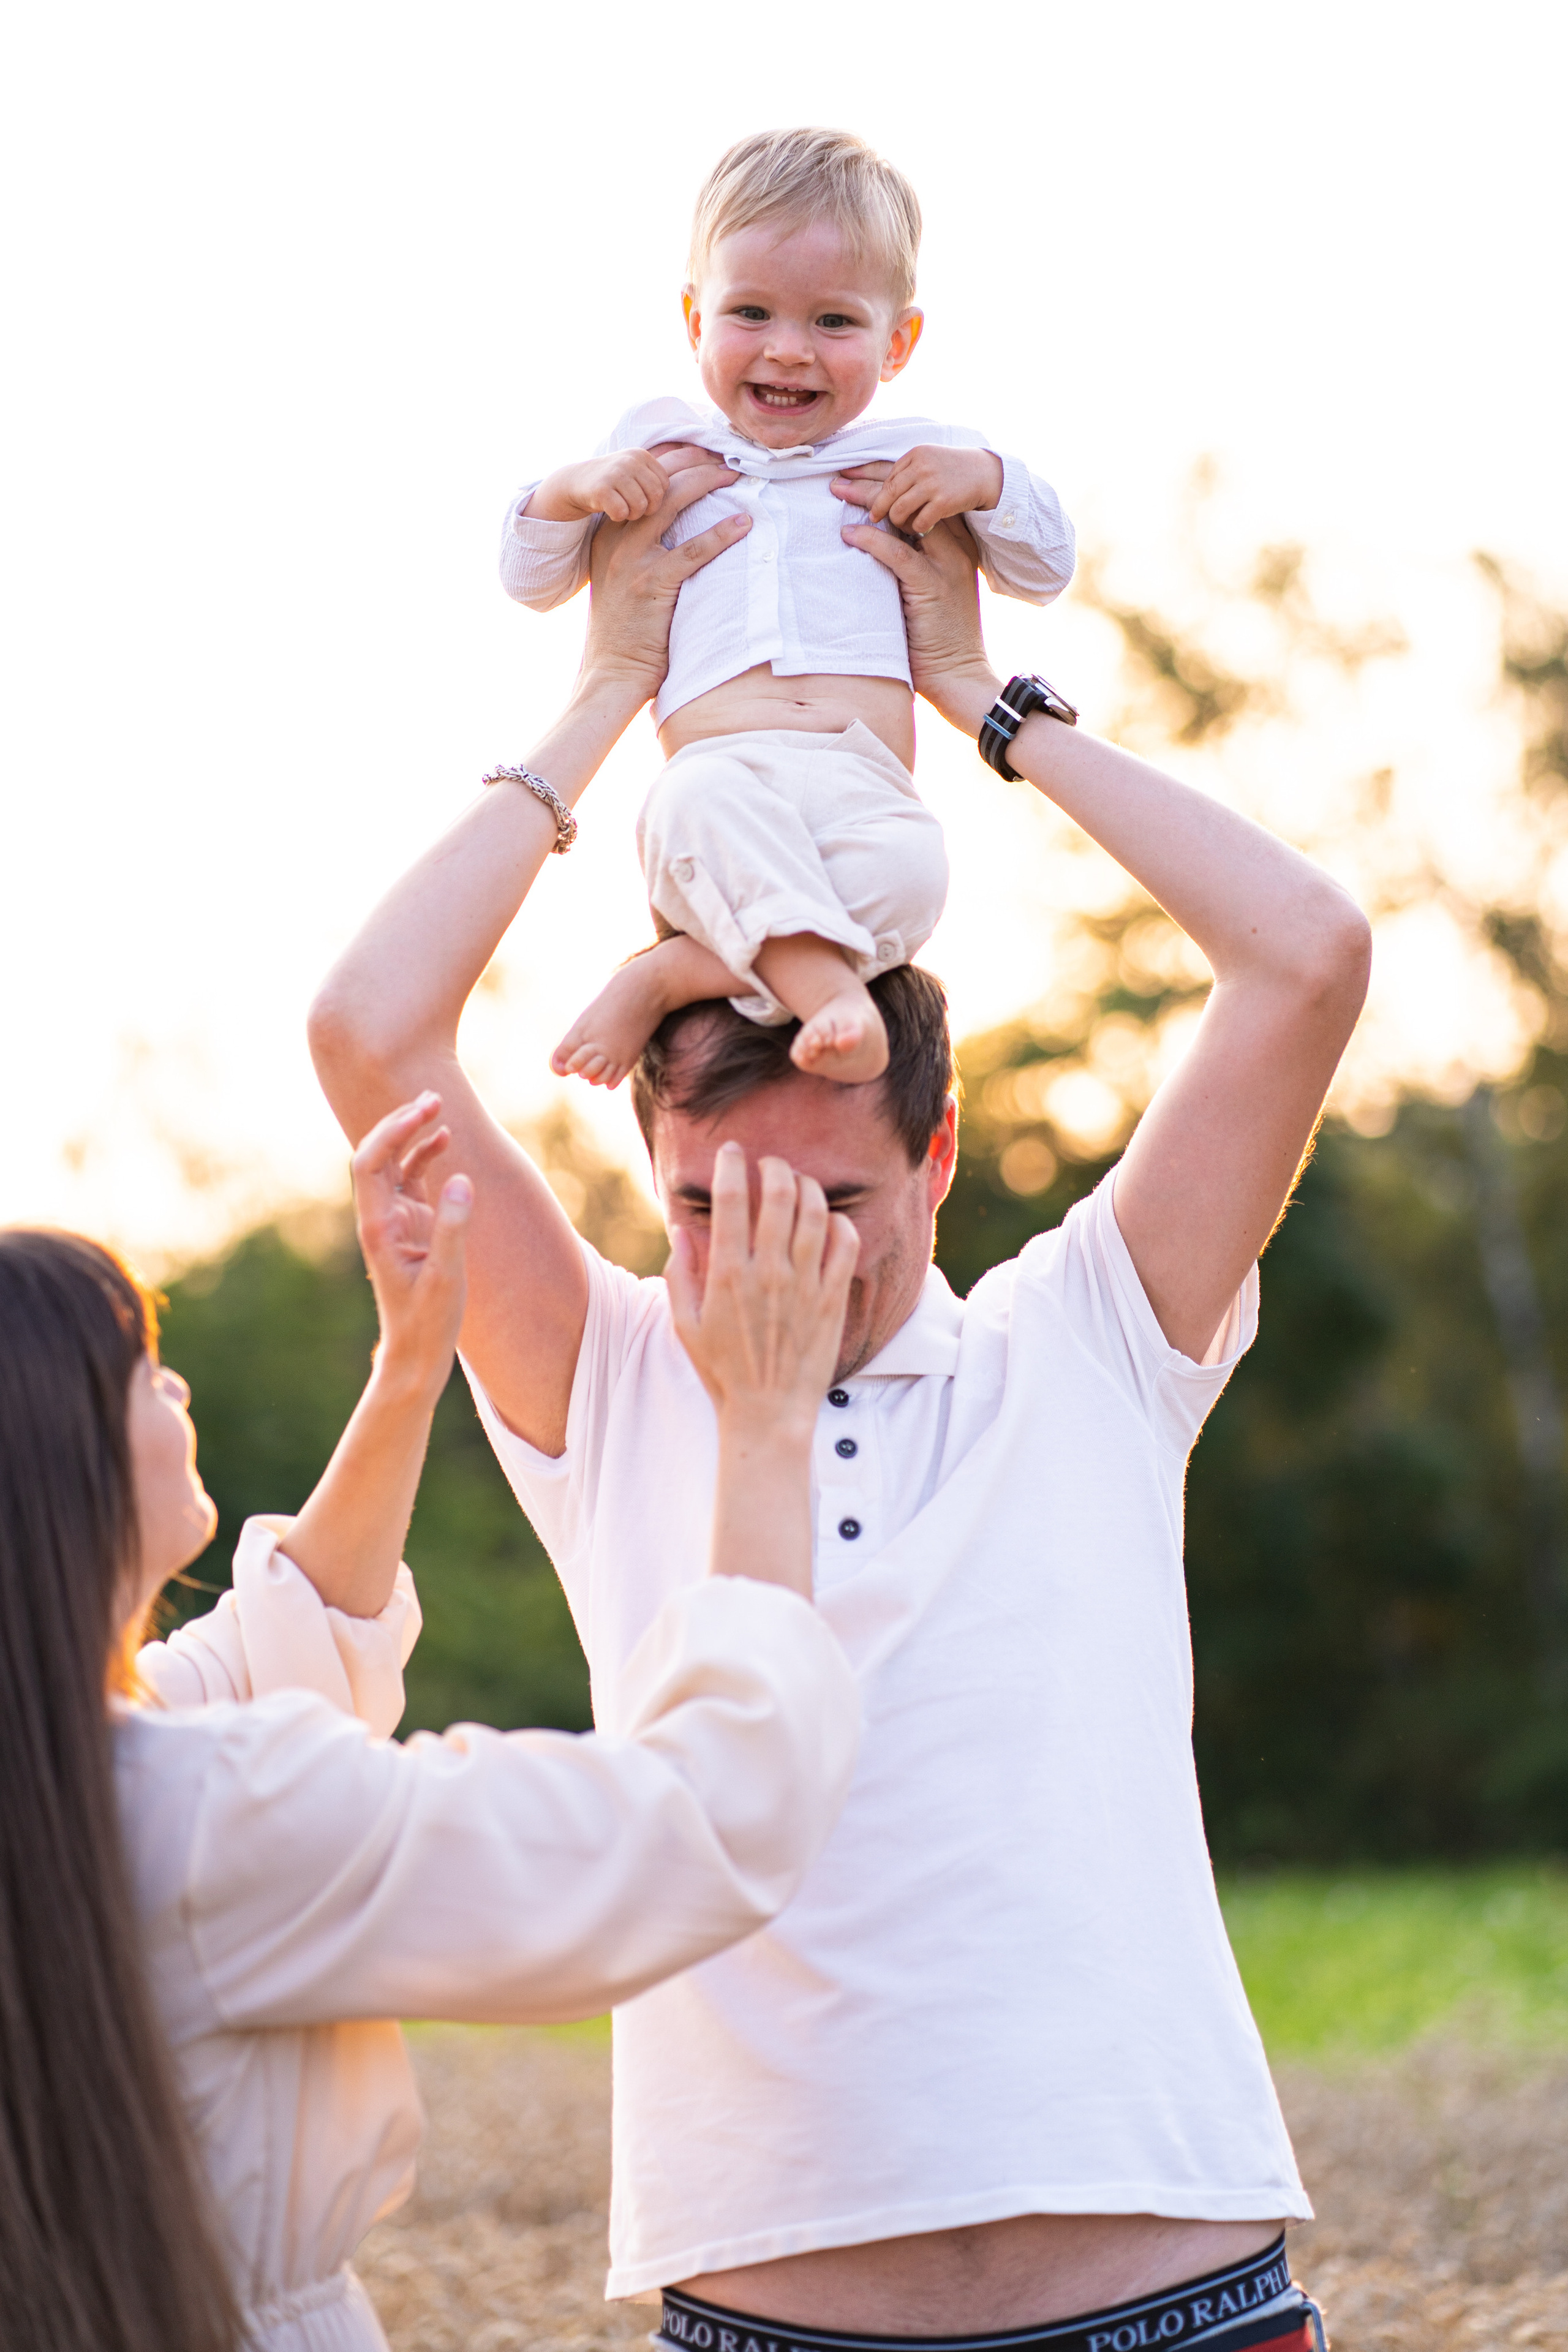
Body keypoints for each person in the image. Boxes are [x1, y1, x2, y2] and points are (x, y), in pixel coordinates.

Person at [309, 459, 1371, 2351]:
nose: (775, 1256)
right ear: (647, 1162)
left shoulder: (1089, 1341)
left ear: (942, 1147)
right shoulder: (617, 1376)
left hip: (1176, 2306)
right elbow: (370, 1026)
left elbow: (1306, 954)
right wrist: (621, 688)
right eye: (713, 1207)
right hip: (769, 2323)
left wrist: (981, 698)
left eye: (840, 1202)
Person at [0, 1091, 862, 2352]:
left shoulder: (72, 1767)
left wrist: (410, 1370)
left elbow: (272, 1655)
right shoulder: (202, 1815)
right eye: (140, 1366)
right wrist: (767, 1423)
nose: (173, 1379)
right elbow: (697, 1820)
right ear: (56, 1459)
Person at [502, 126, 1074, 1088]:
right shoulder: (659, 444)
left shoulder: (917, 455)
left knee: (917, 872)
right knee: (685, 802)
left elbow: (1045, 567)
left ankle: (678, 972)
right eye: (752, 312)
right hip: (725, 773)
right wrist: (575, 489)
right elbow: (531, 577)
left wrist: (983, 478)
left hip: (867, 780)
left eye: (835, 324)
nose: (788, 351)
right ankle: (834, 986)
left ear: (899, 343)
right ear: (694, 320)